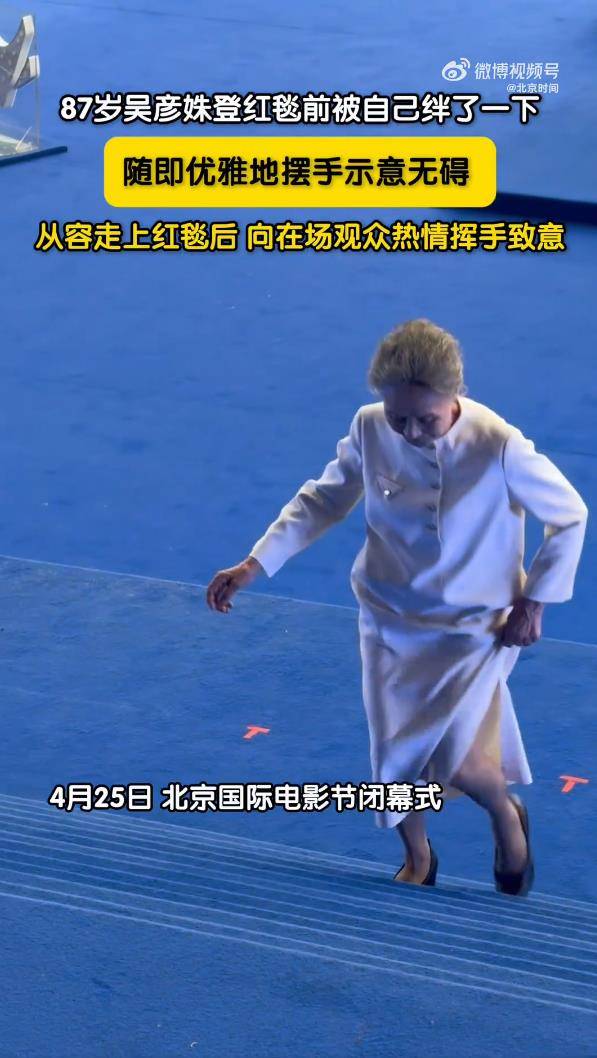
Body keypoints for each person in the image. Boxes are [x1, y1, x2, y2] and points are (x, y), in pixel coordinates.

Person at [205, 319, 588, 896]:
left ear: (455, 396)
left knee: (457, 760)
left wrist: (534, 601)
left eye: (425, 419)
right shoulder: (368, 426)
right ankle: (418, 856)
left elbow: (571, 515)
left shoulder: (498, 442)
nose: (409, 431)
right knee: (392, 751)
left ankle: (507, 816)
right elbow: (322, 500)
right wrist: (253, 564)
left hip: (474, 628)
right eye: (397, 416)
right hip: (388, 618)